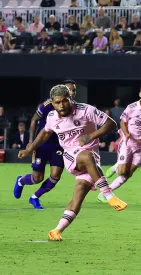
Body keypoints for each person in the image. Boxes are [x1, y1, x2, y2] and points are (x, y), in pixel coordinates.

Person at [17, 85, 127, 241]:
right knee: (87, 156)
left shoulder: (85, 110)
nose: (61, 105)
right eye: (57, 102)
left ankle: (56, 231)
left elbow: (111, 124)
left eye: (64, 101)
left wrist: (91, 136)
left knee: (78, 197)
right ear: (52, 103)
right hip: (71, 156)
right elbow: (44, 134)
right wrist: (29, 150)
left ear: (70, 99)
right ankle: (108, 194)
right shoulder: (52, 117)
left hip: (92, 161)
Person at [14, 80, 78, 209]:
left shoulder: (75, 107)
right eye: (69, 89)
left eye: (73, 90)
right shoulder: (48, 104)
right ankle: (21, 181)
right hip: (42, 144)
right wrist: (31, 141)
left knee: (55, 175)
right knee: (37, 178)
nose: (71, 92)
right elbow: (34, 120)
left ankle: (35, 197)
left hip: (59, 146)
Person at [102, 84, 141, 202]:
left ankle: (106, 193)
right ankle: (116, 167)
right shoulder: (132, 107)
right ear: (140, 94)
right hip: (128, 143)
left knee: (128, 174)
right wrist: (126, 134)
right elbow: (123, 122)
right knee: (122, 171)